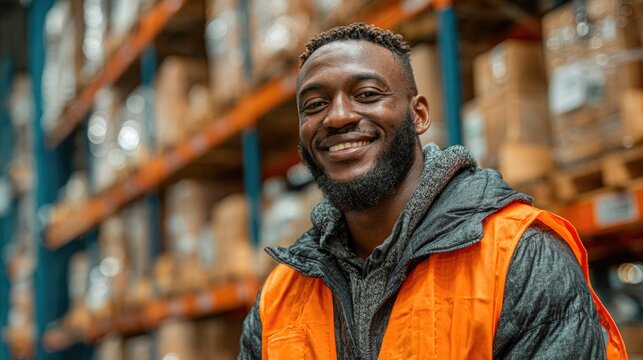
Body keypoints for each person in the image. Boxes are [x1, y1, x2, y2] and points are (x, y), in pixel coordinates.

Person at [238, 22, 626, 359]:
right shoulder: (280, 295)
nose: (338, 116)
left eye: (368, 94)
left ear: (419, 114)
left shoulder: (519, 258)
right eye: (315, 104)